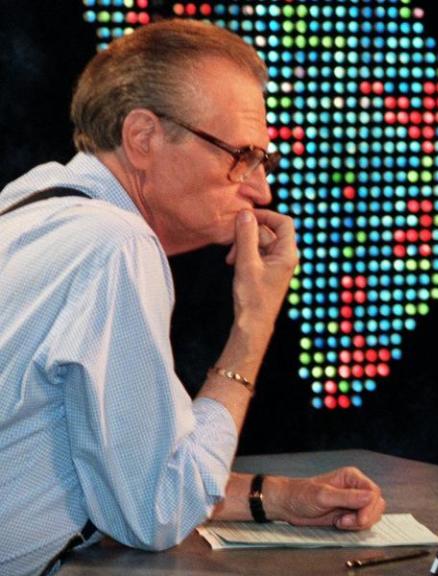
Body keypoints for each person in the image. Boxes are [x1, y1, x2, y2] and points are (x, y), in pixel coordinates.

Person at [0, 20, 385, 575]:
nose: (260, 189)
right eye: (239, 155)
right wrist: (253, 323)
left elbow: (127, 480)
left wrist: (274, 497)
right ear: (143, 138)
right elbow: (153, 513)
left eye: (262, 161)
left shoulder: (31, 200)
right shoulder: (115, 245)